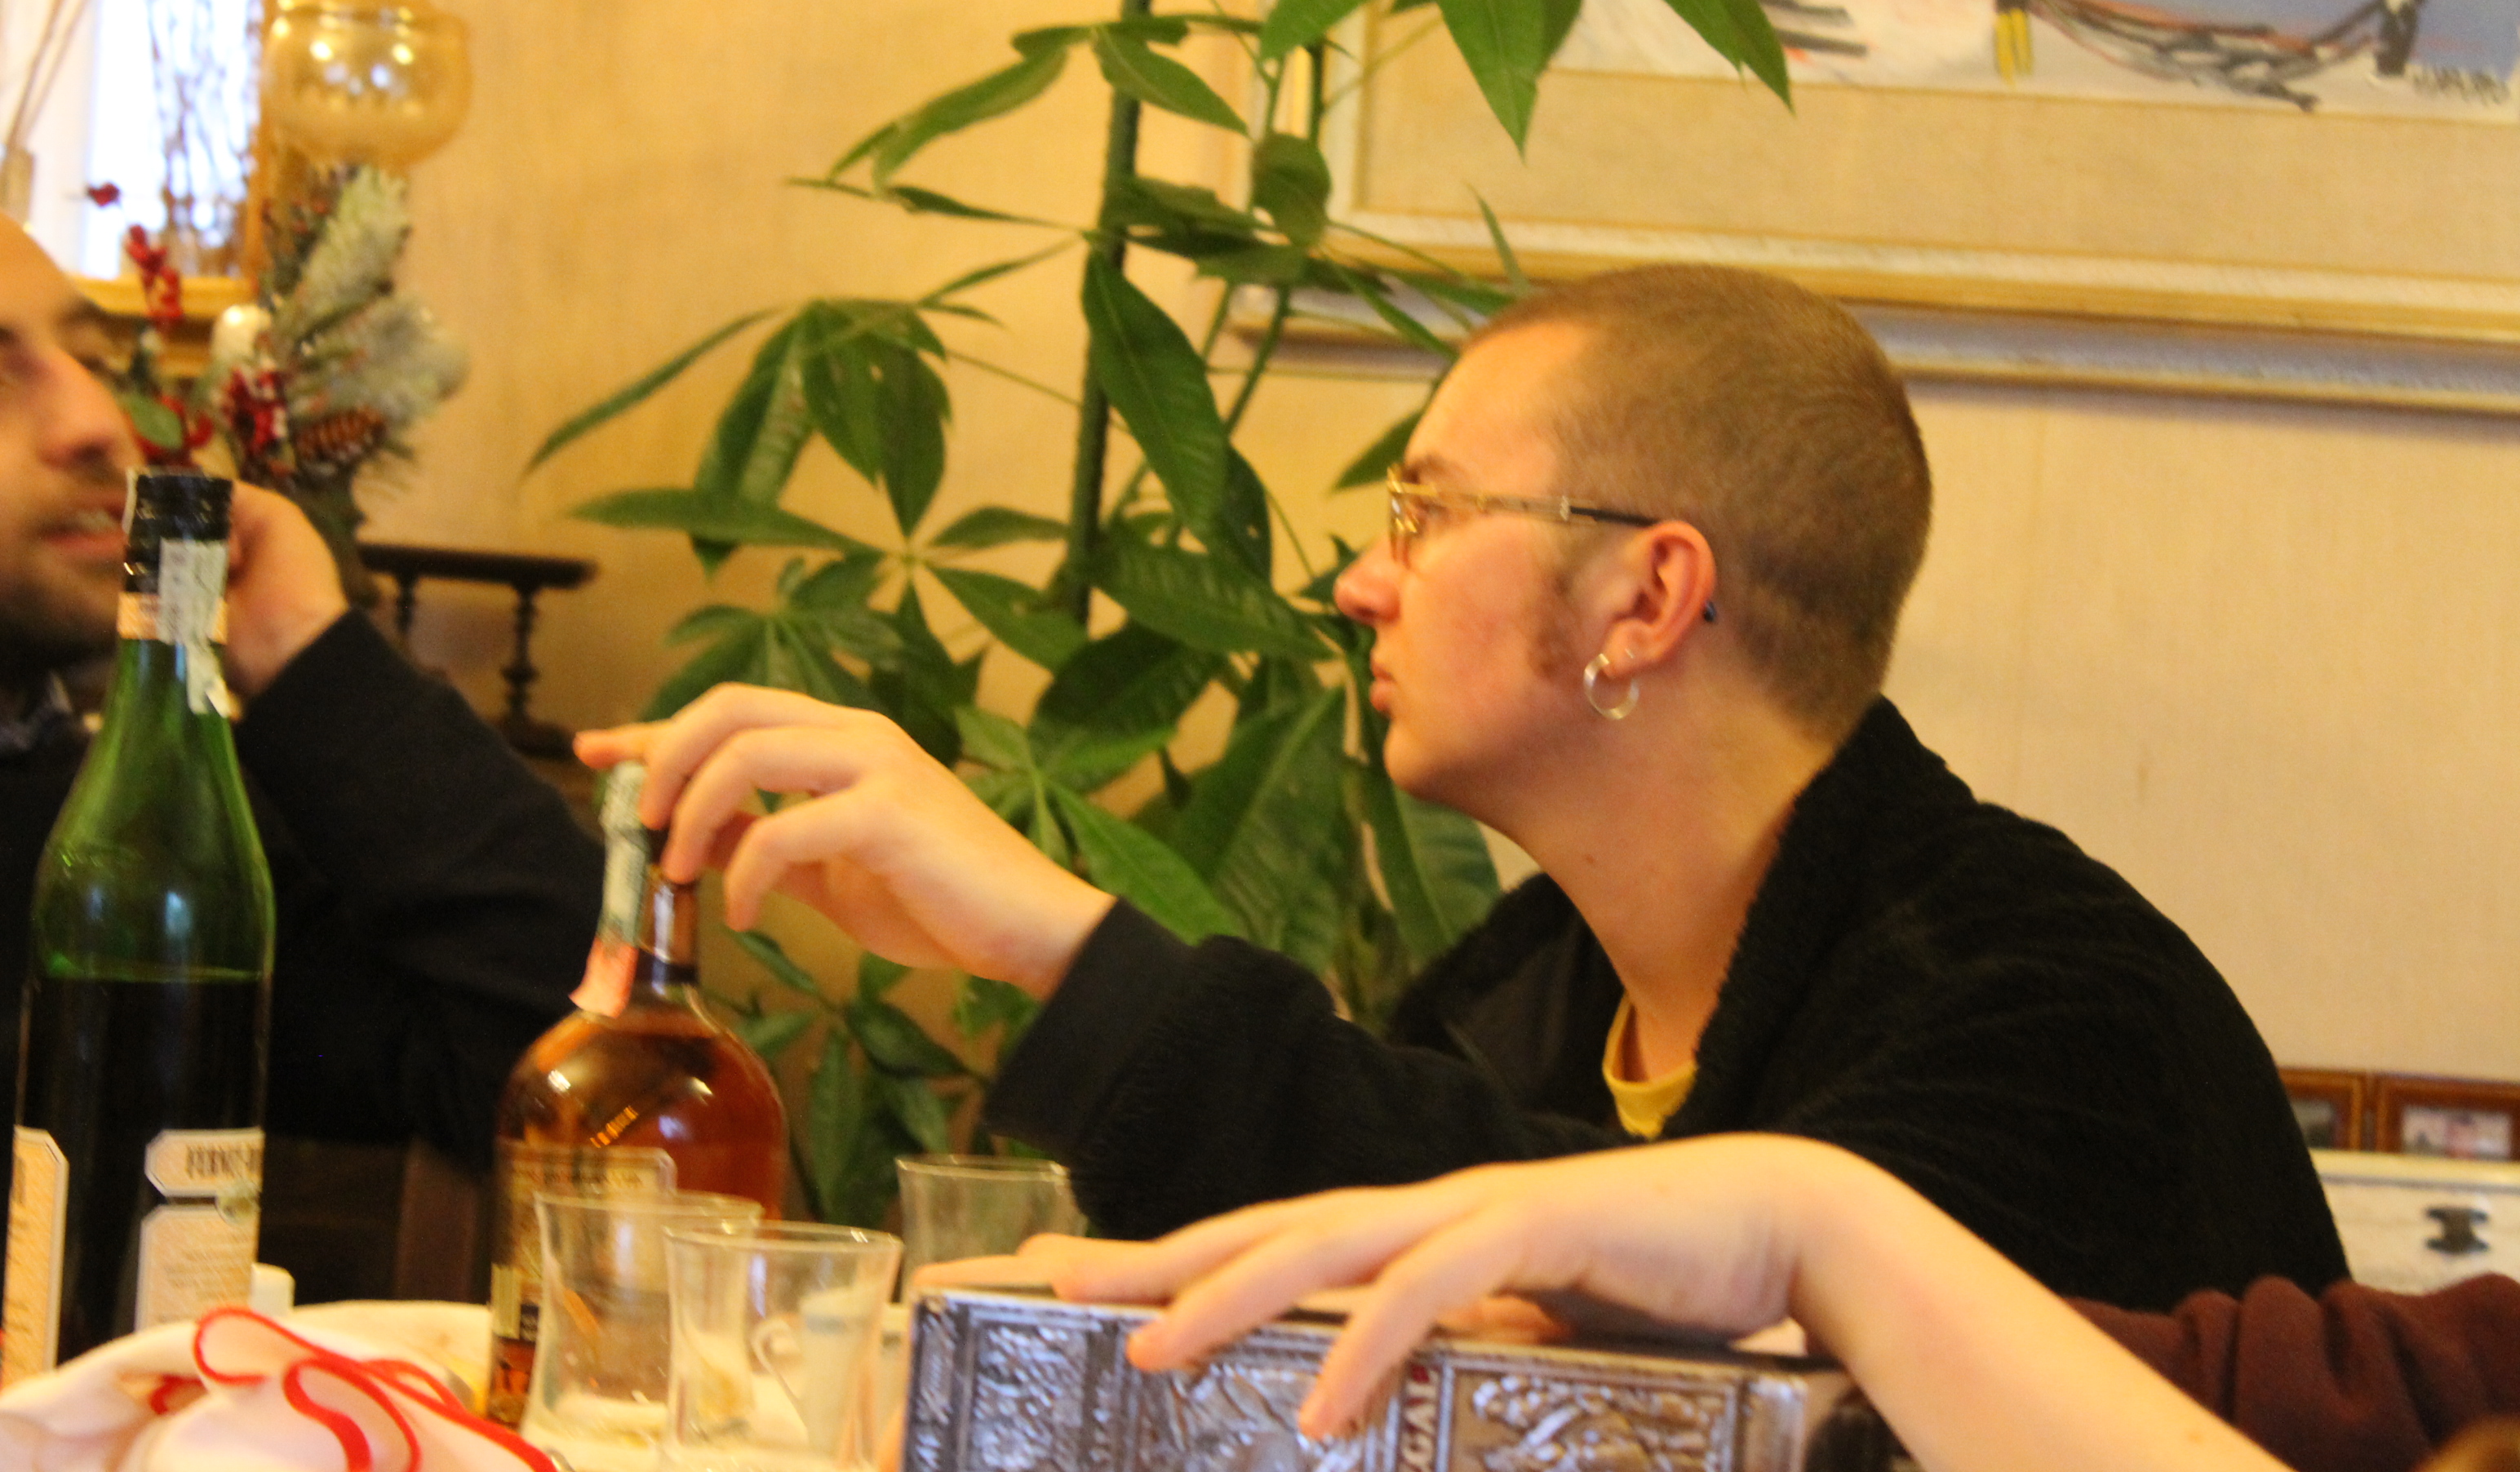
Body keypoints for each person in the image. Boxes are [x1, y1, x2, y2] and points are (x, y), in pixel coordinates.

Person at [581, 263, 2345, 1310]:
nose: (1362, 579)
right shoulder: (1526, 996)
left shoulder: (2046, 1014)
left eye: (1425, 511)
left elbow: (1727, 1293)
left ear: (1646, 598)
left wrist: (1060, 941)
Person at [0, 214, 601, 1191]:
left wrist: (309, 656)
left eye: (92, 361)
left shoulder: (129, 837)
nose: (96, 423)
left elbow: (576, 1071)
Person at [1000, 1136, 2520, 1472]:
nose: (1361, 586)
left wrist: (1815, 1226)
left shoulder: (2023, 973)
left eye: (1428, 515)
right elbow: (2282, 1392)